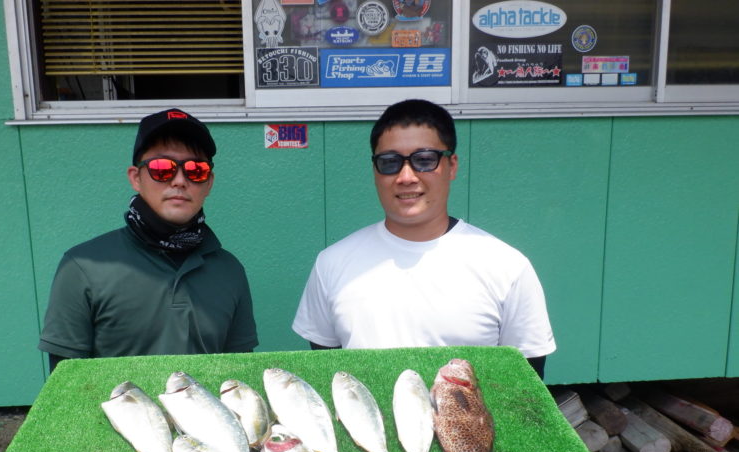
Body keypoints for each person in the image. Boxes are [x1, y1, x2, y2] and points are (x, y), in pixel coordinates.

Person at [292, 99, 555, 377]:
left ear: (451, 166)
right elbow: (329, 371)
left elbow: (526, 387)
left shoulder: (506, 266)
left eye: (425, 160)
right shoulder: (332, 263)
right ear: (375, 171)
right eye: (390, 162)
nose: (406, 176)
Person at [39, 108, 258, 370]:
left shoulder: (229, 270)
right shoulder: (82, 266)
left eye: (195, 170)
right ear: (136, 178)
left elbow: (239, 375)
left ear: (208, 183)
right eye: (162, 168)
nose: (179, 180)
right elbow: (65, 387)